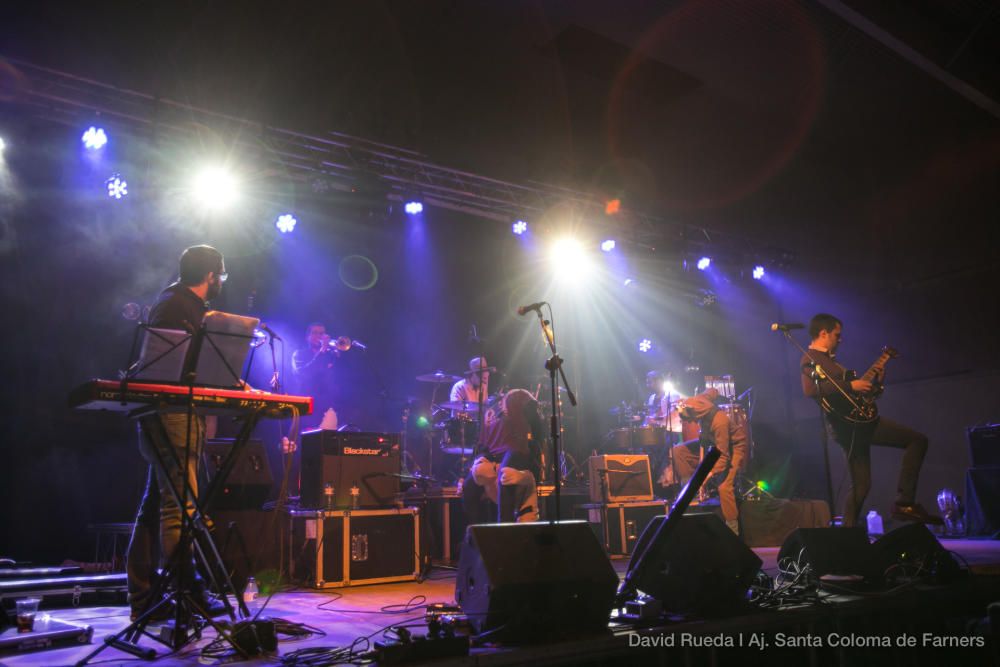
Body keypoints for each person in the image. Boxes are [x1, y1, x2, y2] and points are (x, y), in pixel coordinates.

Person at [126, 245, 227, 620]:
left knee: (156, 506)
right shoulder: (177, 305)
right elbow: (167, 366)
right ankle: (190, 594)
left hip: (169, 412)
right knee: (179, 507)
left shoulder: (179, 303)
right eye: (222, 276)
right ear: (212, 276)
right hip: (172, 414)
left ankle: (143, 598)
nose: (221, 282)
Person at [801, 313, 941, 526]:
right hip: (847, 428)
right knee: (912, 444)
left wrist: (877, 383)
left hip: (860, 423)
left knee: (864, 484)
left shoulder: (832, 362)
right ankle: (899, 505)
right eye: (837, 335)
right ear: (824, 333)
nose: (840, 339)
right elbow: (811, 390)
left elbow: (858, 397)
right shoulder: (810, 359)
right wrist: (852, 385)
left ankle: (888, 511)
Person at [672, 388, 748, 534]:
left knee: (724, 487)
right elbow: (712, 391)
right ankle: (691, 488)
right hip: (712, 441)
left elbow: (724, 456)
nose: (693, 421)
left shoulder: (720, 423)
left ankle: (733, 530)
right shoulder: (699, 401)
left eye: (692, 418)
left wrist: (709, 473)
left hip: (733, 447)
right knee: (678, 450)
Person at [466, 388, 542, 523]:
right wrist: (467, 471)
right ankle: (473, 532)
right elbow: (481, 443)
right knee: (468, 486)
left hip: (517, 450)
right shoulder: (489, 409)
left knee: (506, 475)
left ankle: (504, 527)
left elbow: (537, 421)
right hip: (493, 456)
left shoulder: (518, 395)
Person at [292, 323, 340, 429]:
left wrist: (338, 358)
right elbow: (305, 373)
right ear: (307, 337)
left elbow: (338, 380)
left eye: (321, 333)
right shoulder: (299, 354)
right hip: (306, 407)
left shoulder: (330, 355)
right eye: (314, 333)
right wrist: (322, 351)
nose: (319, 336)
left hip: (327, 408)